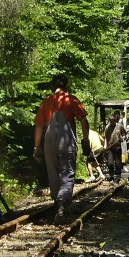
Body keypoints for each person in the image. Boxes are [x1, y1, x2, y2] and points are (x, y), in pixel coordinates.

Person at [33, 74, 91, 222]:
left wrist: (37, 147)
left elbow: (39, 126)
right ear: (66, 86)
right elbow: (84, 122)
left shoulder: (46, 102)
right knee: (67, 173)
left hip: (49, 143)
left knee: (53, 174)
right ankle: (62, 206)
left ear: (52, 86)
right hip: (66, 141)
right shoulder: (71, 100)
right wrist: (85, 141)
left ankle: (57, 202)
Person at [103, 110, 127, 184]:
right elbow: (105, 137)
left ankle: (117, 178)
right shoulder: (107, 127)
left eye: (112, 121)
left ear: (115, 120)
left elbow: (124, 135)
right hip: (109, 148)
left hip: (117, 147)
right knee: (110, 163)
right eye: (110, 121)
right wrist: (105, 146)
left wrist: (122, 138)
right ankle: (111, 176)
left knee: (118, 164)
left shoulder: (120, 126)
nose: (111, 122)